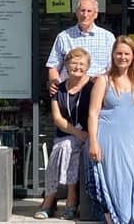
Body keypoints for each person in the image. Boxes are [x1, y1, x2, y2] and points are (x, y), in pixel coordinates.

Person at [86, 36, 134, 224]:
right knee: (115, 185)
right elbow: (93, 113)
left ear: (133, 55)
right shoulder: (103, 81)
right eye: (119, 53)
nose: (122, 57)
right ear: (113, 55)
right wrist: (93, 142)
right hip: (109, 142)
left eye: (126, 53)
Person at [34, 47, 93, 220]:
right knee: (65, 146)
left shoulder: (93, 86)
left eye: (82, 63)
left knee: (66, 147)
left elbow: (96, 113)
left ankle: (50, 198)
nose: (77, 67)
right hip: (68, 134)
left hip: (88, 136)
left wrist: (85, 135)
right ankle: (71, 198)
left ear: (88, 66)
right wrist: (76, 133)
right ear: (66, 65)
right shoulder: (58, 89)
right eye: (73, 63)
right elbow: (57, 119)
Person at [46, 0, 115, 90]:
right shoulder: (64, 37)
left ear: (95, 14)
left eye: (89, 11)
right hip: (69, 91)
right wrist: (54, 82)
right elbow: (53, 66)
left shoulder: (108, 38)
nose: (85, 14)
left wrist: (101, 79)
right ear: (77, 13)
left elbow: (113, 68)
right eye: (82, 10)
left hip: (97, 90)